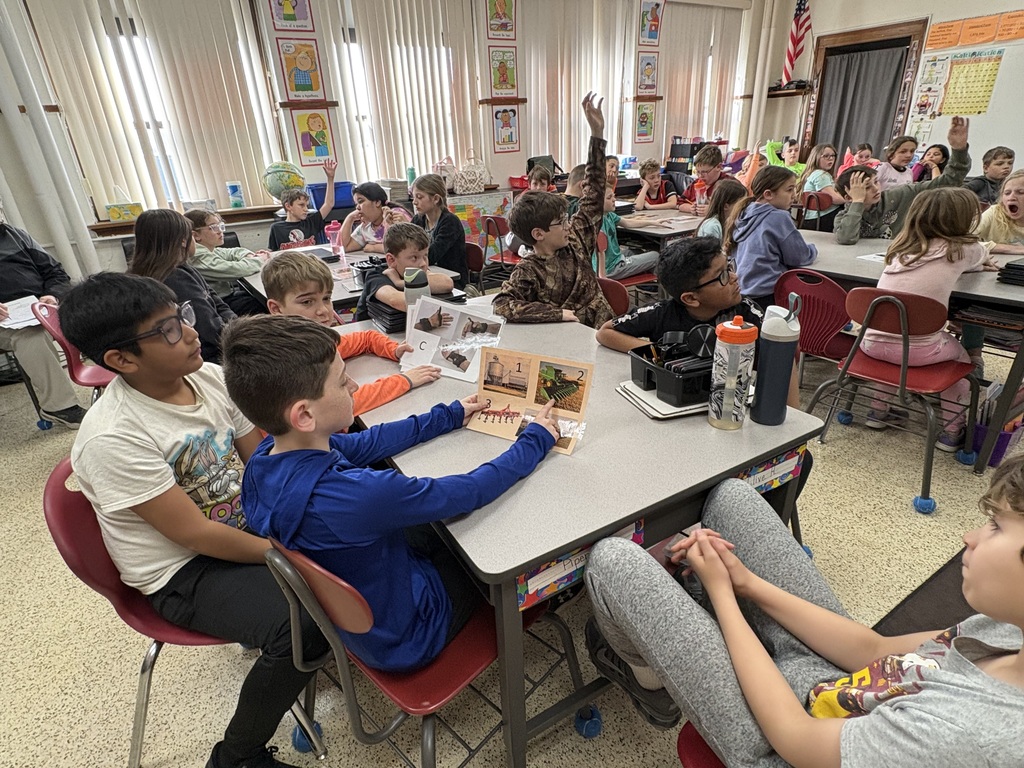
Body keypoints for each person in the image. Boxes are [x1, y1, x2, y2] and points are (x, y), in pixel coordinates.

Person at [583, 454, 1024, 767]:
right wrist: (747, 583)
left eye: (996, 526)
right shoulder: (1007, 632)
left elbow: (795, 738)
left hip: (786, 745)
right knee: (731, 497)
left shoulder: (969, 734)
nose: (970, 536)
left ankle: (651, 680)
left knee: (612, 562)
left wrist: (722, 593)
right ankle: (715, 622)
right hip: (841, 693)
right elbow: (876, 648)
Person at [62, 272, 328, 768]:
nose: (189, 331)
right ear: (121, 360)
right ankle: (236, 756)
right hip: (183, 570)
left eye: (182, 315)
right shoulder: (113, 436)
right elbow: (194, 534)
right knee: (306, 623)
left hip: (244, 530)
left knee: (351, 537)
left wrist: (308, 514)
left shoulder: (204, 375)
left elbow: (262, 462)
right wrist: (295, 554)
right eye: (166, 329)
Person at [220, 314, 560, 672]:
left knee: (434, 527)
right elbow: (468, 491)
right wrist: (534, 440)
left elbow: (368, 442)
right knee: (480, 539)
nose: (353, 385)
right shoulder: (361, 496)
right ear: (304, 415)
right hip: (412, 634)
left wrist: (449, 415)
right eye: (341, 381)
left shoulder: (264, 460)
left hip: (365, 618)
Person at [860, 188, 998, 450]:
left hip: (871, 345)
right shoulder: (961, 249)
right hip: (920, 350)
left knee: (893, 343)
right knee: (962, 361)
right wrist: (981, 264)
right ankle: (951, 431)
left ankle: (877, 411)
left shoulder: (898, 249)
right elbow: (982, 253)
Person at [262, 250, 440, 414]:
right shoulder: (287, 361)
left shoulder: (314, 340)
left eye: (326, 298)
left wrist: (393, 349)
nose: (324, 310)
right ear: (276, 309)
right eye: (307, 302)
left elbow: (366, 338)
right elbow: (346, 404)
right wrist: (405, 380)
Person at [493, 92, 614, 329]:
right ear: (538, 234)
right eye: (561, 222)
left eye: (567, 219)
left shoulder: (577, 238)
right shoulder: (529, 269)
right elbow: (501, 304)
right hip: (566, 341)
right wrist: (556, 313)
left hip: (604, 333)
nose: (569, 224)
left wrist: (597, 136)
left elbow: (594, 192)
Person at [0, 220, 86, 427]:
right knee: (30, 335)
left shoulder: (17, 236)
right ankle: (59, 407)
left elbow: (55, 272)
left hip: (36, 308)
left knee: (91, 308)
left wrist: (52, 295)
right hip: (6, 322)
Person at [833, 117, 972, 244]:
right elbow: (846, 238)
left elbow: (949, 181)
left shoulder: (896, 195)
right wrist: (857, 202)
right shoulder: (843, 217)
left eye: (876, 182)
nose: (876, 189)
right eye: (866, 187)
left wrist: (959, 150)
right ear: (847, 197)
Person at [128, 209, 236, 364]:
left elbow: (215, 300)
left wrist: (236, 323)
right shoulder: (174, 278)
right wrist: (243, 334)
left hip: (212, 343)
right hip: (207, 355)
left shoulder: (178, 268)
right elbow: (211, 330)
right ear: (183, 241)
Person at [724, 166, 817, 310]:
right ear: (768, 194)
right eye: (789, 189)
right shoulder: (778, 217)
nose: (794, 195)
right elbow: (800, 256)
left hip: (741, 292)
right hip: (767, 294)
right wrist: (813, 249)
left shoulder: (743, 212)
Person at [353, 222, 454, 322]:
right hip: (369, 333)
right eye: (414, 257)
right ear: (391, 260)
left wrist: (400, 283)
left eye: (425, 256)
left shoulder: (418, 269)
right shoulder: (376, 276)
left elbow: (447, 283)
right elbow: (401, 302)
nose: (423, 263)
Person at [184, 209, 269, 316]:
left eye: (220, 226)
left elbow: (233, 252)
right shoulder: (197, 255)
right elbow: (235, 269)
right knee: (262, 303)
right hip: (218, 304)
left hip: (225, 297)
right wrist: (259, 260)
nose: (220, 231)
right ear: (196, 235)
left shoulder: (207, 249)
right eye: (214, 228)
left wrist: (250, 255)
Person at [410, 173, 469, 287]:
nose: (414, 202)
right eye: (413, 197)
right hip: (426, 274)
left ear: (436, 199)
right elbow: (407, 249)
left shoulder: (450, 222)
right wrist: (403, 229)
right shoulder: (418, 220)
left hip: (452, 280)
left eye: (419, 197)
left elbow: (431, 256)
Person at [267, 158, 338, 250]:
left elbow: (329, 204)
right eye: (301, 205)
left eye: (306, 205)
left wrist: (330, 178)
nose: (306, 209)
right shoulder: (276, 228)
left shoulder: (311, 222)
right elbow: (273, 253)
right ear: (288, 206)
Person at [593, 185, 661, 279]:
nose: (614, 200)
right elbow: (601, 253)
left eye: (614, 196)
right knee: (656, 256)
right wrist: (604, 281)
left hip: (614, 260)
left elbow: (628, 223)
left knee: (636, 251)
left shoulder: (609, 215)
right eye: (609, 197)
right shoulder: (599, 223)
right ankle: (655, 288)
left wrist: (653, 222)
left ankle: (648, 286)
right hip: (611, 268)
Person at [338, 181, 411, 254]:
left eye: (360, 201)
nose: (357, 207)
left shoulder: (395, 215)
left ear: (377, 202)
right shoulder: (366, 226)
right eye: (356, 204)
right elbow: (344, 247)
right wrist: (350, 218)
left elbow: (403, 248)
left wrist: (374, 247)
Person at [797, 144, 844, 233]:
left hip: (810, 219)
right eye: (826, 156)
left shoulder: (812, 173)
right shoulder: (820, 174)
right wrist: (852, 200)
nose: (830, 159)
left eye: (833, 156)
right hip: (822, 219)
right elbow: (834, 198)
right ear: (816, 157)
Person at [976, 169, 1024, 254]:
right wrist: (1009, 249)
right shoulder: (994, 213)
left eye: (1021, 192)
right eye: (1007, 193)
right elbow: (961, 241)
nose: (1011, 197)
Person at [678, 145, 735, 216]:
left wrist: (713, 210)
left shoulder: (731, 185)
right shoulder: (695, 183)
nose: (700, 176)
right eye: (698, 172)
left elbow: (740, 208)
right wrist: (691, 208)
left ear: (718, 167)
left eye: (705, 172)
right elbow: (680, 203)